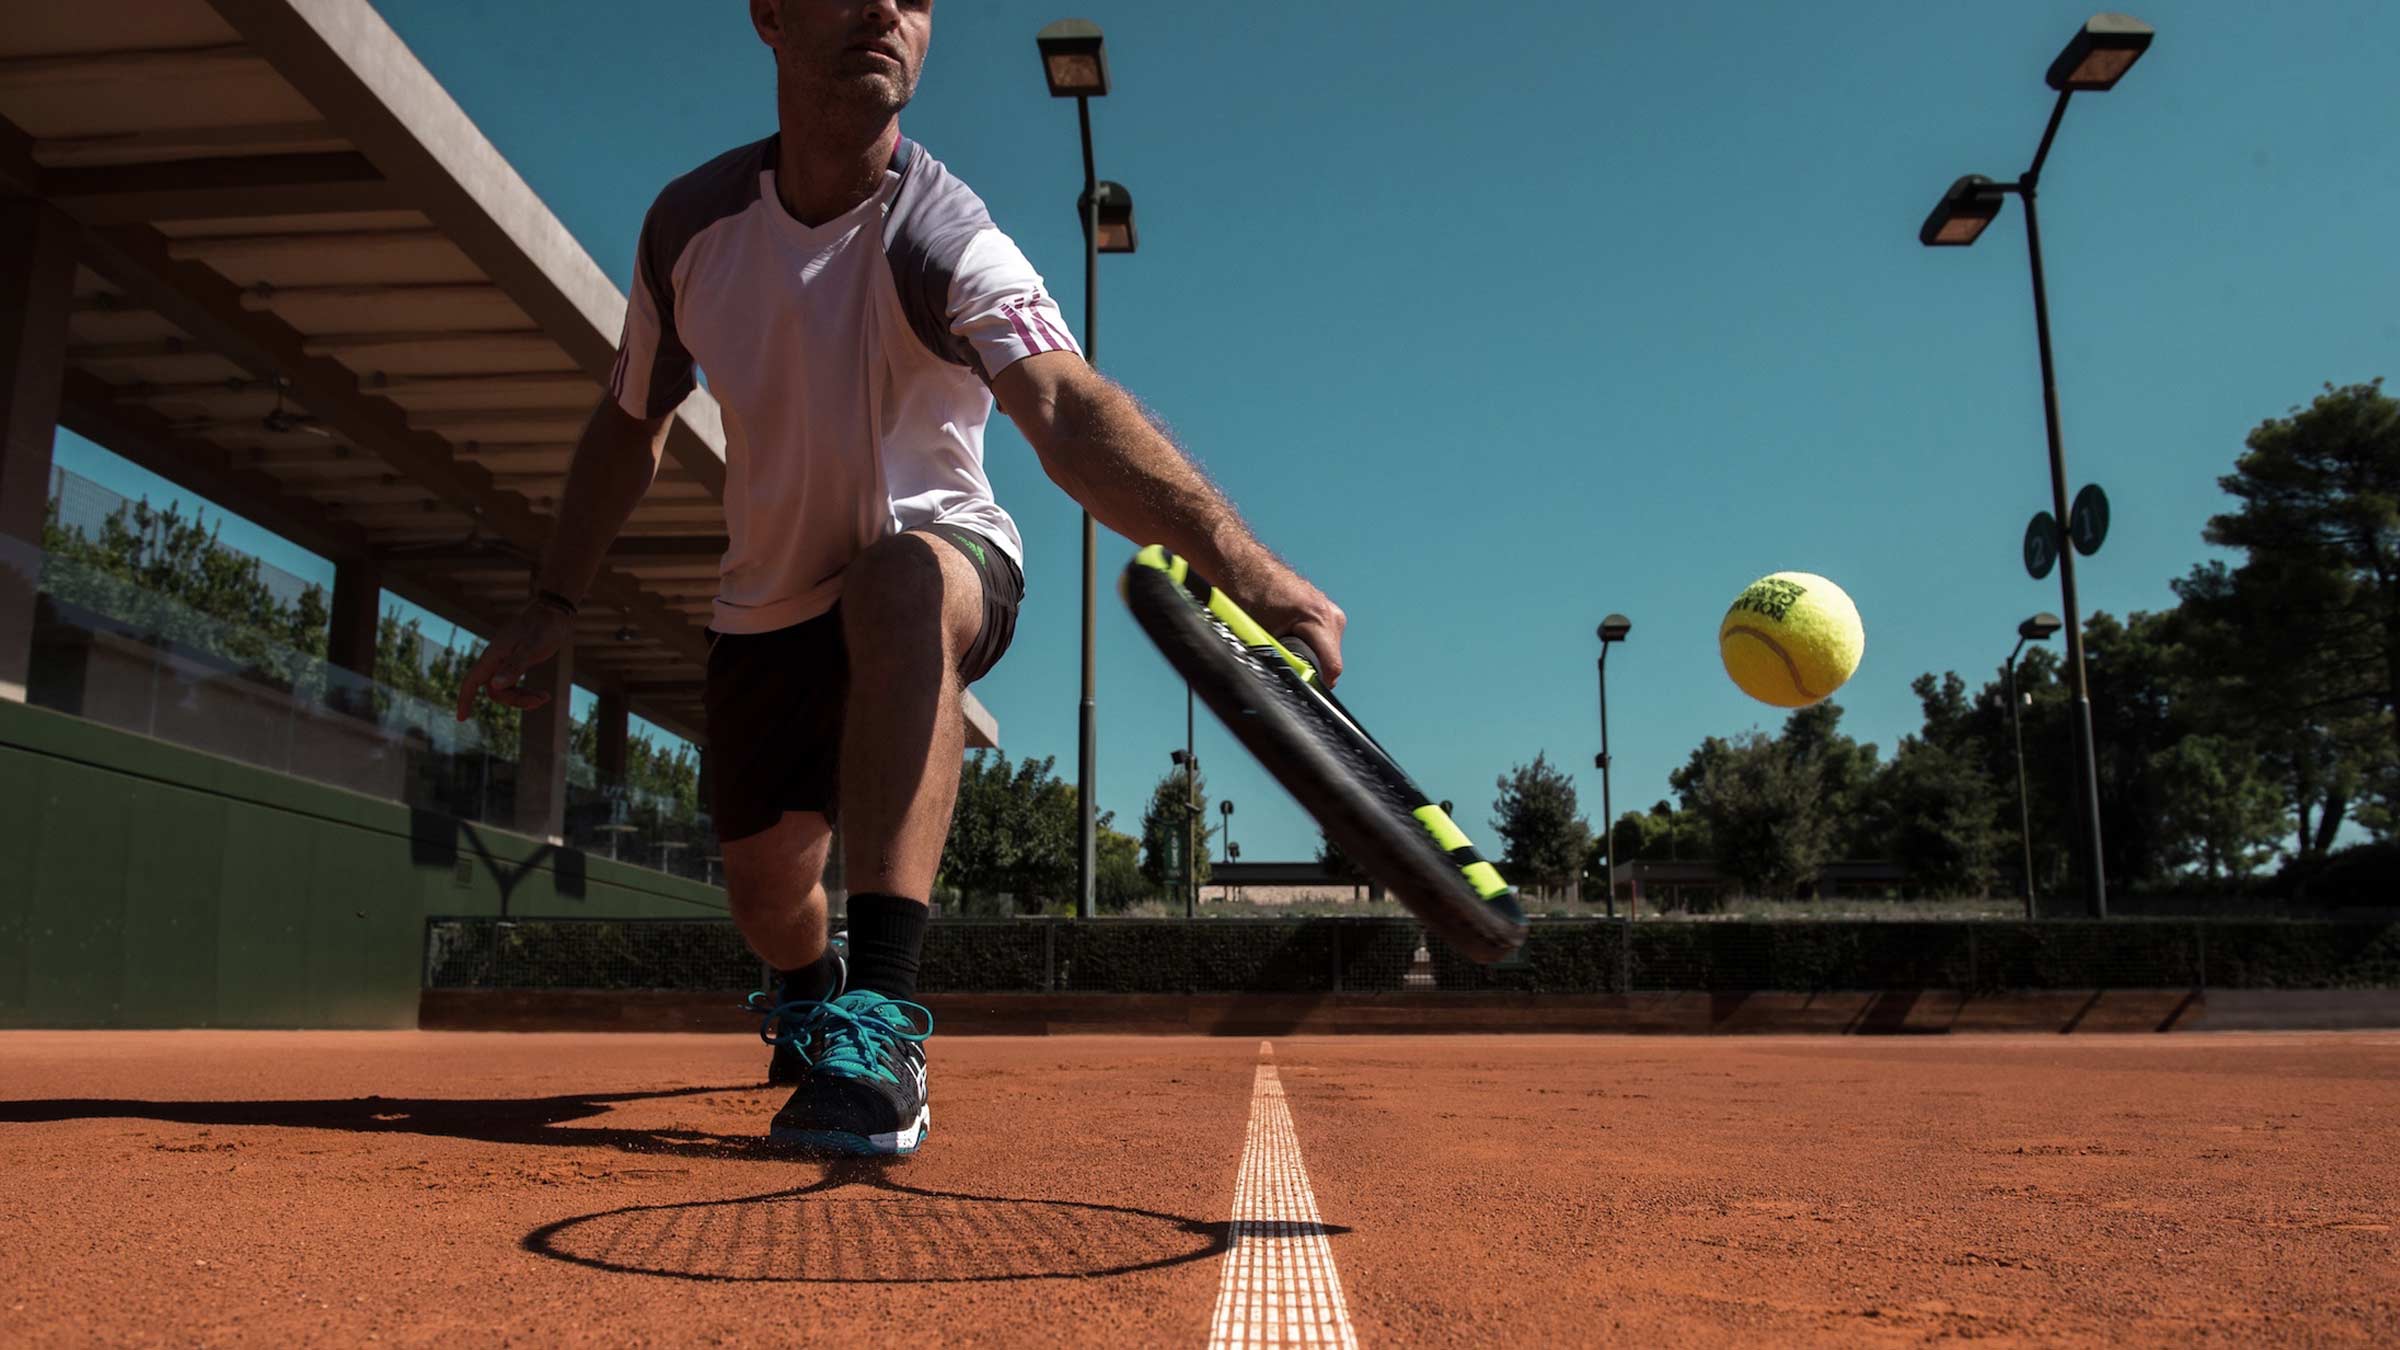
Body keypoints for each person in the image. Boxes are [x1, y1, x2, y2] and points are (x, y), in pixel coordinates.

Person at [455, 0, 1345, 1156]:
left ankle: (881, 1022)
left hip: (947, 557)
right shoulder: (688, 227)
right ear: (771, 15)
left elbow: (1066, 409)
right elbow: (632, 424)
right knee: (767, 897)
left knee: (898, 583)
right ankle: (815, 984)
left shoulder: (943, 234)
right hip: (766, 605)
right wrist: (553, 603)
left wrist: (1247, 569)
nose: (889, 9)